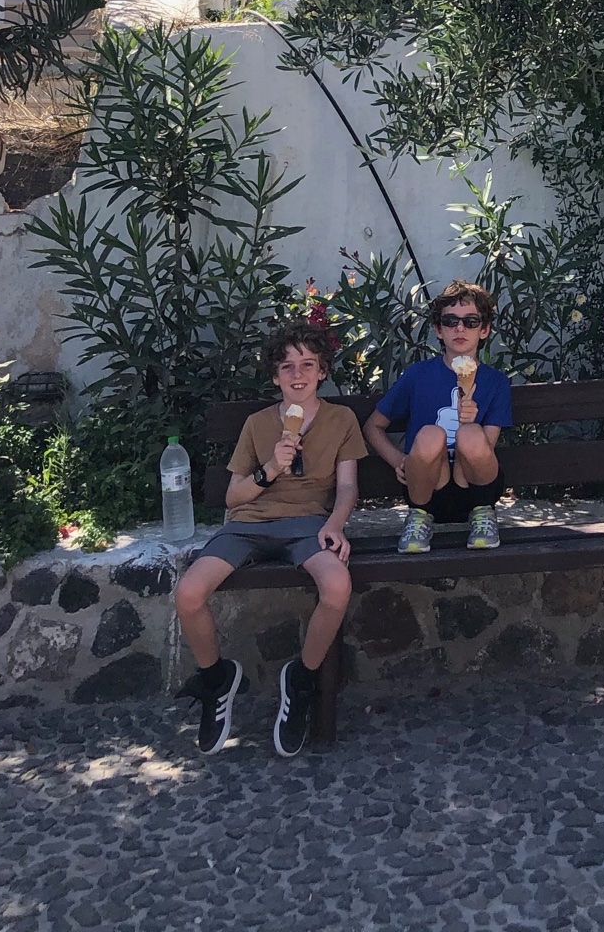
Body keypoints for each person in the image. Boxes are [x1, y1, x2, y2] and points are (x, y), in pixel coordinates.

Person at [173, 317, 364, 758]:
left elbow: (348, 487)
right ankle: (216, 678)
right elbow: (234, 497)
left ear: (322, 371)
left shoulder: (341, 419)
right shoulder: (258, 424)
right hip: (249, 524)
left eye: (307, 364)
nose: (297, 375)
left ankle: (302, 679)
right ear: (275, 376)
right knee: (188, 593)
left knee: (337, 585)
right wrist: (271, 468)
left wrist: (335, 524)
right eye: (286, 367)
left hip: (308, 524)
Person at [361, 280, 512, 553]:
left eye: (471, 321)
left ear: (485, 330)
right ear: (438, 330)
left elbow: (486, 447)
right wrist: (399, 461)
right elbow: (373, 426)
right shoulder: (418, 376)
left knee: (470, 433)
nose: (460, 328)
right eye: (450, 321)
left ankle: (483, 516)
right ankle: (418, 517)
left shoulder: (495, 382)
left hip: (475, 488)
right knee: (431, 434)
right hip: (427, 487)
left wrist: (469, 421)